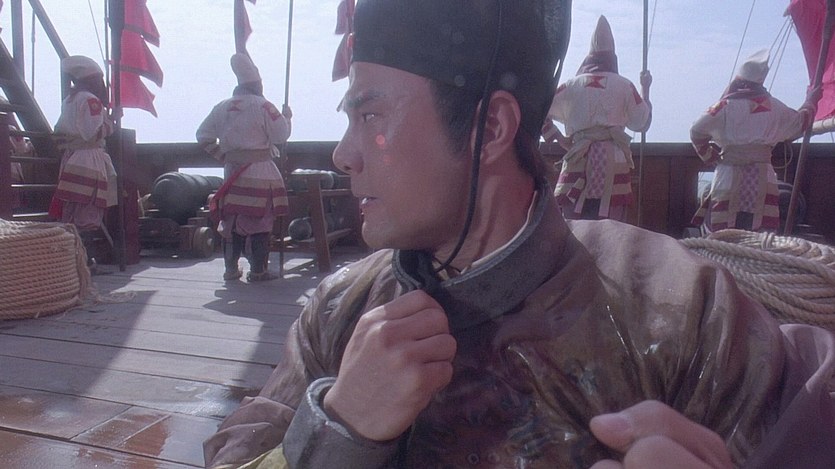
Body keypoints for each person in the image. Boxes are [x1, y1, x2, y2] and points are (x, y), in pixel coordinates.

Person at [203, 1, 835, 468]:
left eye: (370, 115)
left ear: (493, 128)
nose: (344, 154)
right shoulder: (339, 313)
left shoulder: (681, 310)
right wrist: (337, 430)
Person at [690, 49, 817, 233]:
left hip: (729, 173)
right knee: (759, 232)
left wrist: (710, 156)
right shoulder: (774, 107)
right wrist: (810, 101)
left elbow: (696, 131)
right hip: (762, 176)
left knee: (722, 231)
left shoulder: (723, 107)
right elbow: (800, 122)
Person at [543, 15, 652, 222]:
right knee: (612, 226)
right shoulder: (625, 85)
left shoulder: (570, 85)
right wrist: (645, 89)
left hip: (579, 155)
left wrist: (559, 138)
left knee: (573, 222)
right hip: (614, 162)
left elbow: (540, 111)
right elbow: (642, 122)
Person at [196, 53, 292, 282]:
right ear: (257, 85)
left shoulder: (221, 107)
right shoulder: (265, 106)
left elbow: (203, 135)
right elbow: (281, 136)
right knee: (260, 221)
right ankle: (258, 271)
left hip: (232, 172)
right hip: (261, 172)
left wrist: (224, 156)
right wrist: (287, 118)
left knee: (231, 221)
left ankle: (230, 270)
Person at [48, 56, 117, 262]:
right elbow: (92, 134)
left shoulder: (69, 101)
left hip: (71, 159)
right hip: (89, 160)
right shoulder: (91, 101)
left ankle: (69, 259)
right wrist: (111, 123)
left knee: (71, 210)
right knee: (88, 212)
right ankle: (85, 260)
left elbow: (59, 132)